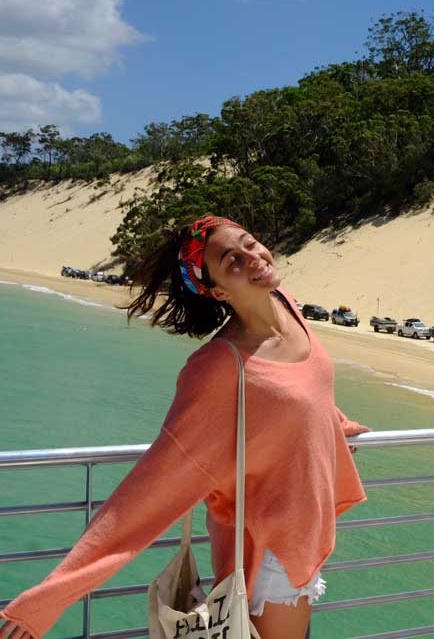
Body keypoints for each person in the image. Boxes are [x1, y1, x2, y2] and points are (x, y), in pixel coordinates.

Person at [0, 216, 369, 639]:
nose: (253, 258)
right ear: (217, 291)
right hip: (268, 552)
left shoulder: (284, 303)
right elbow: (146, 495)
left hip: (304, 526)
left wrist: (332, 427)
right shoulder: (217, 369)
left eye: (250, 243)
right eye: (232, 260)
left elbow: (300, 391)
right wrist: (48, 601)